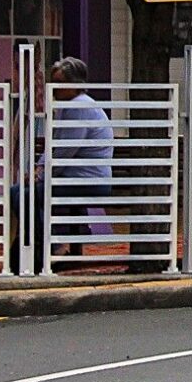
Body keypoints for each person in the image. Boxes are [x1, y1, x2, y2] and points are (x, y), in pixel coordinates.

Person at [44, 58, 132, 271]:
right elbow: (59, 147)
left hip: (85, 179)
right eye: (53, 82)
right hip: (86, 177)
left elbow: (64, 150)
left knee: (29, 195)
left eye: (60, 83)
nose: (54, 88)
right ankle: (57, 243)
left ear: (74, 84)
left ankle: (49, 247)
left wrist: (41, 172)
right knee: (33, 192)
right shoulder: (78, 104)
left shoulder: (78, 107)